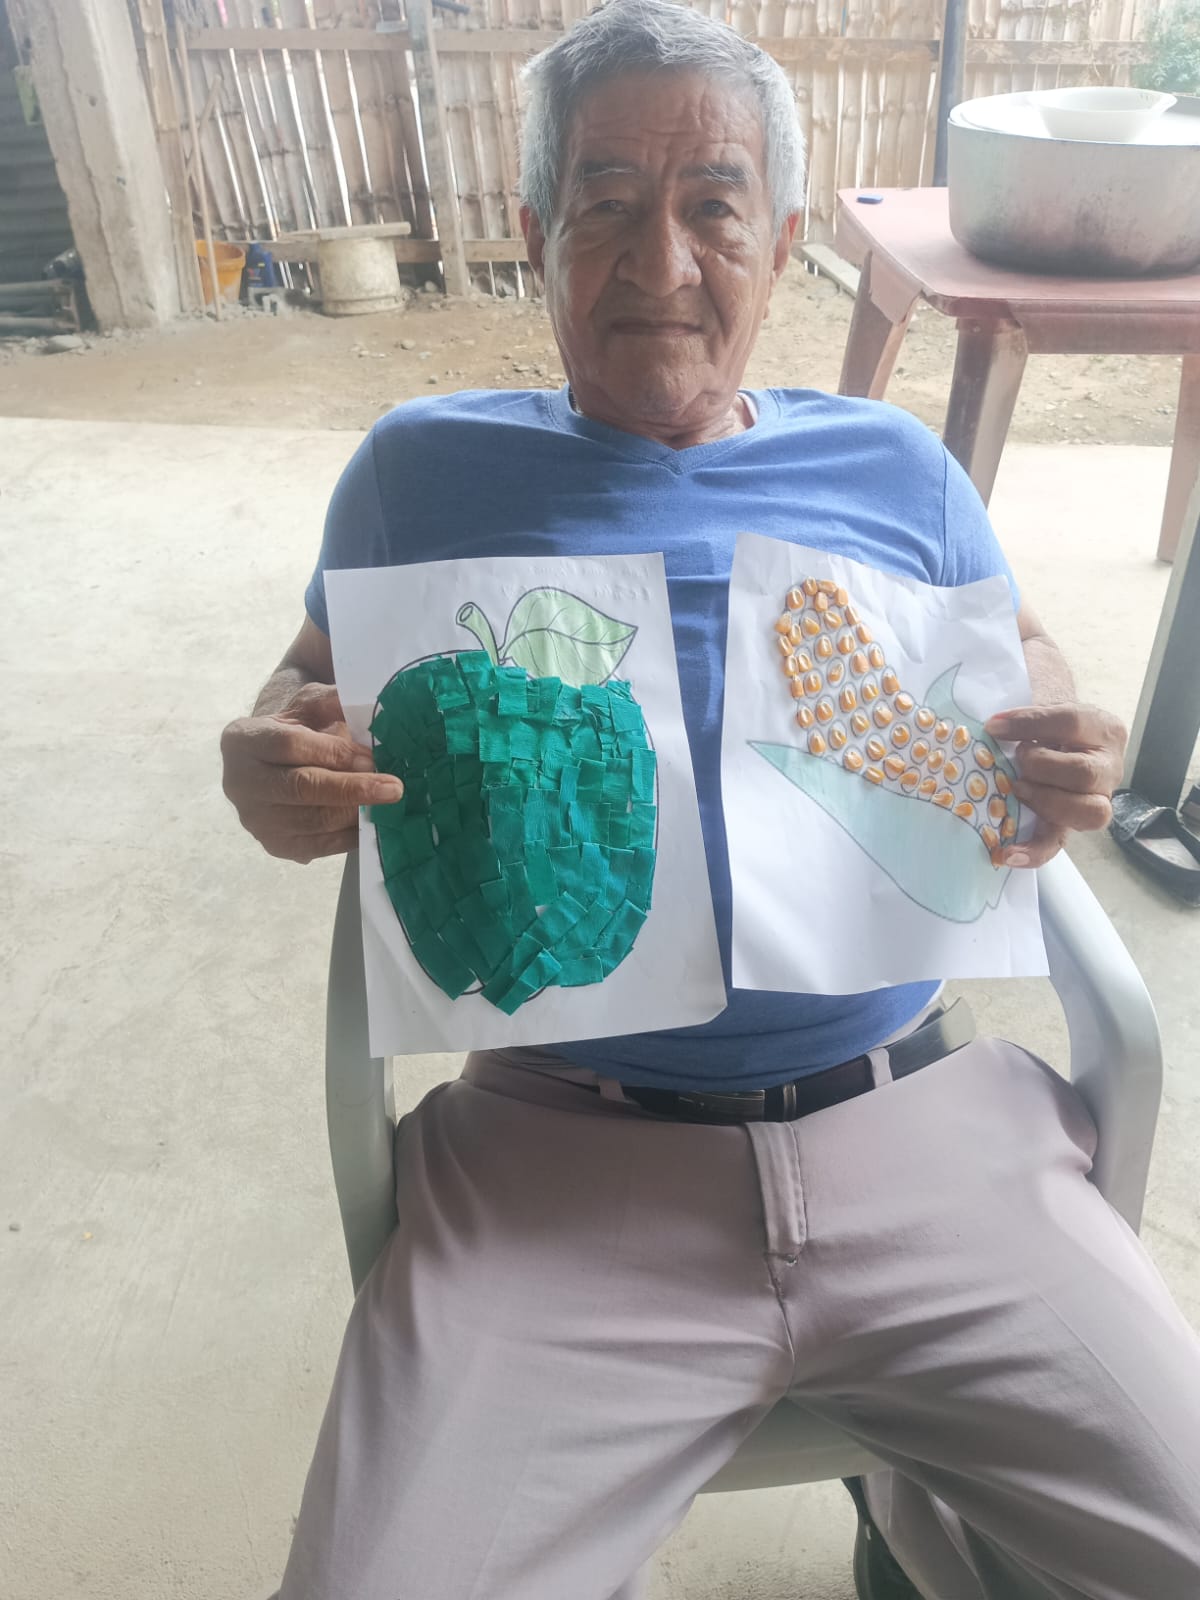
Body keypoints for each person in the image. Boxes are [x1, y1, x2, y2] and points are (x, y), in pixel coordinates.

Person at [220, 3, 1200, 1596]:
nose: (660, 263)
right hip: (556, 1172)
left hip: (923, 1134)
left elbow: (1023, 657)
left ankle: (923, 1521)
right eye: (605, 203)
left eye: (713, 208)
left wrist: (1065, 737)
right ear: (535, 233)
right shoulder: (418, 471)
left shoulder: (895, 467)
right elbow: (305, 682)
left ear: (784, 240)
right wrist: (273, 754)